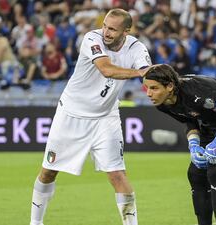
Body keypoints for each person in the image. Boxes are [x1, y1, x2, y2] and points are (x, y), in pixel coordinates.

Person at [30, 8, 151, 225]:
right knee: (48, 172)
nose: (106, 32)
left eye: (113, 29)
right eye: (105, 25)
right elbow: (106, 69)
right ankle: (35, 223)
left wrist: (156, 80)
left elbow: (148, 74)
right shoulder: (91, 38)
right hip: (71, 114)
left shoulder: (137, 48)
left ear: (127, 30)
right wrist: (139, 73)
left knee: (117, 175)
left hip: (106, 117)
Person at [142, 64, 216, 225]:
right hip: (210, 123)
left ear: (170, 86)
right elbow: (189, 118)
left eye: (154, 88)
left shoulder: (197, 93)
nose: (149, 93)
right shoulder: (162, 104)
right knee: (195, 173)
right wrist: (193, 144)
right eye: (146, 88)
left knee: (215, 171)